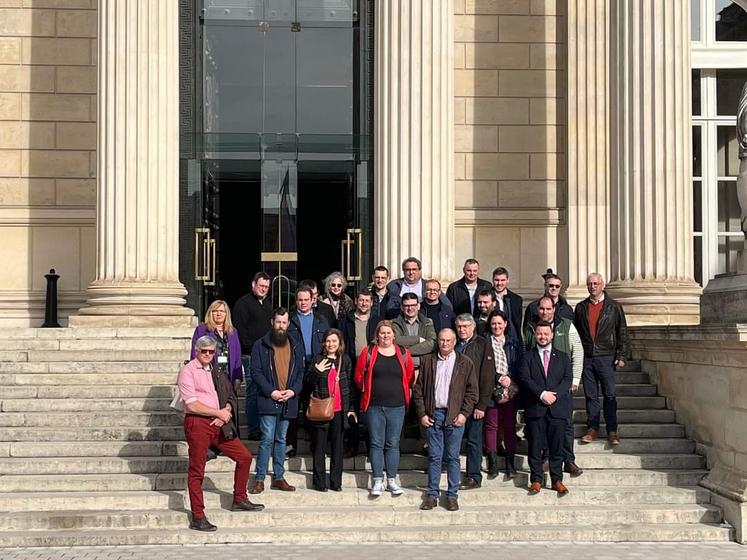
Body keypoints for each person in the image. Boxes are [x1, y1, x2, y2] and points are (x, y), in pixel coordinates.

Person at [178, 336, 264, 532]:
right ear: (196, 351)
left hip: (219, 423)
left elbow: (229, 394)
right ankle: (198, 516)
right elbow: (191, 404)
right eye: (204, 351)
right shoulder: (188, 371)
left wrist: (226, 411)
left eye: (211, 351)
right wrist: (219, 413)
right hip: (197, 423)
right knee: (197, 470)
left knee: (244, 457)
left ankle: (240, 498)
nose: (208, 354)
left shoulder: (216, 370)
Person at [414, 328, 478, 512]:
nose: (444, 344)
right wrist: (422, 414)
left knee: (452, 457)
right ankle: (432, 494)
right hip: (434, 415)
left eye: (448, 340)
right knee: (434, 456)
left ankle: (452, 495)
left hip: (455, 415)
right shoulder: (428, 361)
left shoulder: (465, 363)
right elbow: (418, 390)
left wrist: (464, 414)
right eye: (441, 340)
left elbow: (472, 392)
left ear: (455, 341)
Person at [524, 296, 585, 476]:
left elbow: (578, 351)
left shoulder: (566, 326)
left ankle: (569, 460)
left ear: (554, 309)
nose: (545, 312)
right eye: (541, 309)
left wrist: (575, 380)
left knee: (565, 425)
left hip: (561, 386)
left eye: (548, 309)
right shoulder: (530, 328)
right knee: (542, 427)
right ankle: (546, 459)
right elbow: (527, 351)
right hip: (539, 389)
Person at [354, 320, 415, 497]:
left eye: (388, 333)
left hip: (397, 406)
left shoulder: (404, 353)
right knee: (376, 443)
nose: (385, 336)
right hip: (374, 405)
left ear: (394, 335)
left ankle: (392, 480)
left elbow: (409, 377)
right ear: (377, 335)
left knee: (393, 444)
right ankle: (378, 480)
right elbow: (359, 377)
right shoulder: (368, 352)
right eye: (382, 333)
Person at [249, 308, 305, 494]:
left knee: (281, 439)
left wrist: (293, 391)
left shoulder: (295, 344)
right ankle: (259, 478)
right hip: (268, 399)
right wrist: (271, 391)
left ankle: (279, 477)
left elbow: (300, 372)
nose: (281, 326)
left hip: (288, 399)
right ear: (272, 322)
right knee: (266, 439)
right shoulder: (260, 345)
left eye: (284, 322)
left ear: (288, 324)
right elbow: (255, 373)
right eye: (278, 322)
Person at [518, 321, 573, 496]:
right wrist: (542, 394)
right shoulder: (527, 356)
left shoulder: (563, 357)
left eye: (546, 334)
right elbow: (524, 378)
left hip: (557, 408)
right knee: (535, 446)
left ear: (552, 335)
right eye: (539, 334)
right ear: (535, 335)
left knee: (556, 447)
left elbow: (567, 379)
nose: (543, 337)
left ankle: (557, 480)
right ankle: (536, 479)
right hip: (536, 407)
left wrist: (553, 395)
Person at [574, 273, 629, 446]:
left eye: (596, 283)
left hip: (606, 356)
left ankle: (612, 430)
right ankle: (592, 428)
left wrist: (621, 354)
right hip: (588, 357)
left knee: (609, 395)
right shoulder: (581, 307)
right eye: (590, 284)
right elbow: (577, 333)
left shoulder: (614, 307)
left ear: (602, 285)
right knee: (591, 396)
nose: (593, 287)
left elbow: (622, 331)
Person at [304, 329, 355, 492]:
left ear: (339, 343)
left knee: (337, 447)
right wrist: (316, 371)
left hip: (339, 410)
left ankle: (335, 482)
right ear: (324, 343)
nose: (331, 344)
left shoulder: (345, 360)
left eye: (334, 341)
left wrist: (351, 408)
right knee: (319, 447)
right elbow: (307, 384)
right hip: (321, 409)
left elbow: (350, 387)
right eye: (328, 341)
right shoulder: (317, 359)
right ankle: (319, 483)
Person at [454, 313, 495, 490]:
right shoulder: (452, 344)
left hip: (474, 402)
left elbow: (487, 376)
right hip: (454, 401)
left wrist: (482, 404)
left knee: (474, 441)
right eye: (459, 327)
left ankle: (473, 476)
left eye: (465, 326)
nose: (462, 330)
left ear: (472, 327)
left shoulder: (482, 344)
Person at [484, 309, 524, 479]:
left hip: (510, 389)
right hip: (490, 387)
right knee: (491, 426)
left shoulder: (513, 343)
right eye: (493, 323)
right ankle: (492, 463)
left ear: (506, 324)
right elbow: (483, 367)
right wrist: (498, 377)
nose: (496, 326)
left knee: (509, 426)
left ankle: (510, 463)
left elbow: (519, 364)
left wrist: (509, 379)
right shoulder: (485, 342)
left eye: (500, 323)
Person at [232, 272, 273, 440]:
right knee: (252, 391)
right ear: (253, 284)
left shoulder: (267, 304)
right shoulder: (243, 304)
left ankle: (264, 426)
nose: (264, 289)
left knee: (264, 390)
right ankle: (254, 428)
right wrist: (252, 349)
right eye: (261, 286)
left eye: (266, 287)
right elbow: (240, 332)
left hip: (267, 354)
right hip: (250, 355)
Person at [339, 290, 376, 458]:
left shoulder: (377, 321)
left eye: (367, 301)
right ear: (356, 301)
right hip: (351, 366)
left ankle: (371, 447)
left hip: (372, 368)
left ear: (371, 303)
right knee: (351, 407)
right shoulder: (346, 320)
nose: (364, 303)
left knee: (370, 409)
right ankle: (351, 445)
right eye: (361, 300)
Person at [190, 300, 243, 393]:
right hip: (209, 376)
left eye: (222, 311)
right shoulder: (202, 330)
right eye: (215, 311)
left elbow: (237, 356)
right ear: (211, 313)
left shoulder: (232, 332)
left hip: (228, 377)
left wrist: (238, 377)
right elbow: (195, 354)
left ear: (226, 314)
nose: (219, 314)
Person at [391, 292, 437, 370]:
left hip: (423, 369)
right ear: (402, 307)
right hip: (401, 368)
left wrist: (407, 351)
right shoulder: (394, 323)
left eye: (413, 305)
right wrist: (418, 340)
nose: (410, 308)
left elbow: (432, 343)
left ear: (418, 306)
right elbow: (395, 341)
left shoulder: (427, 322)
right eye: (406, 305)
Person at [492, 266, 523, 342]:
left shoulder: (516, 299)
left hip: (511, 340)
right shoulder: (487, 297)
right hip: (491, 339)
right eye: (497, 280)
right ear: (492, 280)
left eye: (502, 280)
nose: (499, 283)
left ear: (507, 280)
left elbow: (517, 324)